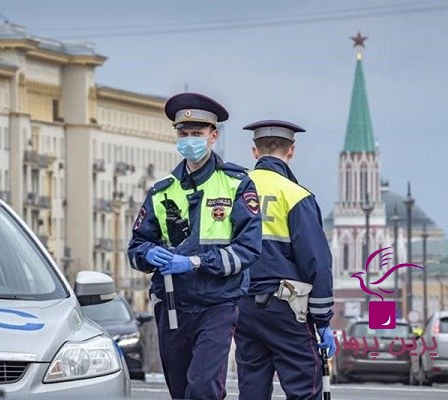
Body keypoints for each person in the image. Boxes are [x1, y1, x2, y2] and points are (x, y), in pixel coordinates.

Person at [127, 92, 262, 400]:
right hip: (173, 304)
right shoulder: (162, 191)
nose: (189, 140)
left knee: (203, 387)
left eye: (197, 133)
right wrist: (147, 253)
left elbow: (249, 249)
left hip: (218, 303)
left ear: (213, 136)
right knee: (180, 390)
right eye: (183, 133)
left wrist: (196, 262)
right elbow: (136, 247)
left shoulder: (236, 184)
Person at [234, 120, 336, 400]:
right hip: (285, 308)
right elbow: (317, 262)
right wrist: (323, 320)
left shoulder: (234, 190)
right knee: (304, 387)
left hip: (242, 306)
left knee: (251, 388)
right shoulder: (296, 196)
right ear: (291, 150)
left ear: (255, 152)